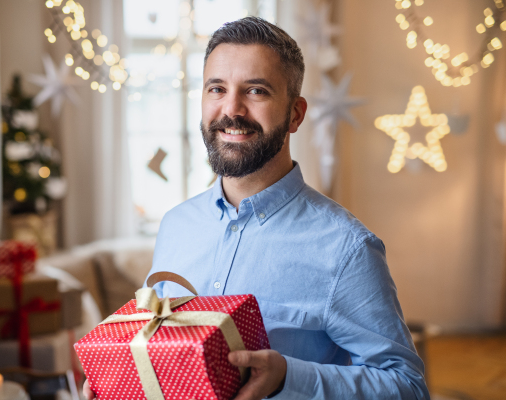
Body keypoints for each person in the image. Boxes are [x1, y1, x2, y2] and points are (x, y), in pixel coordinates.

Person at [84, 17, 429, 400]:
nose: (232, 110)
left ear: (295, 114)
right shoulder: (176, 226)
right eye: (217, 88)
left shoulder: (346, 248)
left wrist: (287, 377)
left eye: (256, 91)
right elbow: (162, 352)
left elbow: (407, 387)